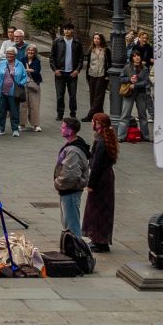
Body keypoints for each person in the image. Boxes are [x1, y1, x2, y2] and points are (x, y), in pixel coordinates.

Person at [84, 111, 117, 252]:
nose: (92, 123)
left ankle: (99, 240)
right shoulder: (106, 138)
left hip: (101, 179)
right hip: (106, 177)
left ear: (99, 124)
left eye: (94, 121)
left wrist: (91, 184)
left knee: (97, 210)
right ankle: (99, 239)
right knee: (103, 209)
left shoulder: (101, 141)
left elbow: (97, 164)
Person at [49, 25, 83, 120]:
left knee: (73, 95)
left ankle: (73, 113)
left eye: (69, 29)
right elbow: (52, 57)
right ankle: (60, 113)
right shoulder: (57, 41)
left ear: (72, 30)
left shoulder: (77, 42)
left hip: (72, 73)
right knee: (60, 95)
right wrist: (55, 69)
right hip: (60, 73)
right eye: (65, 29)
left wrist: (77, 70)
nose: (67, 31)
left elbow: (81, 58)